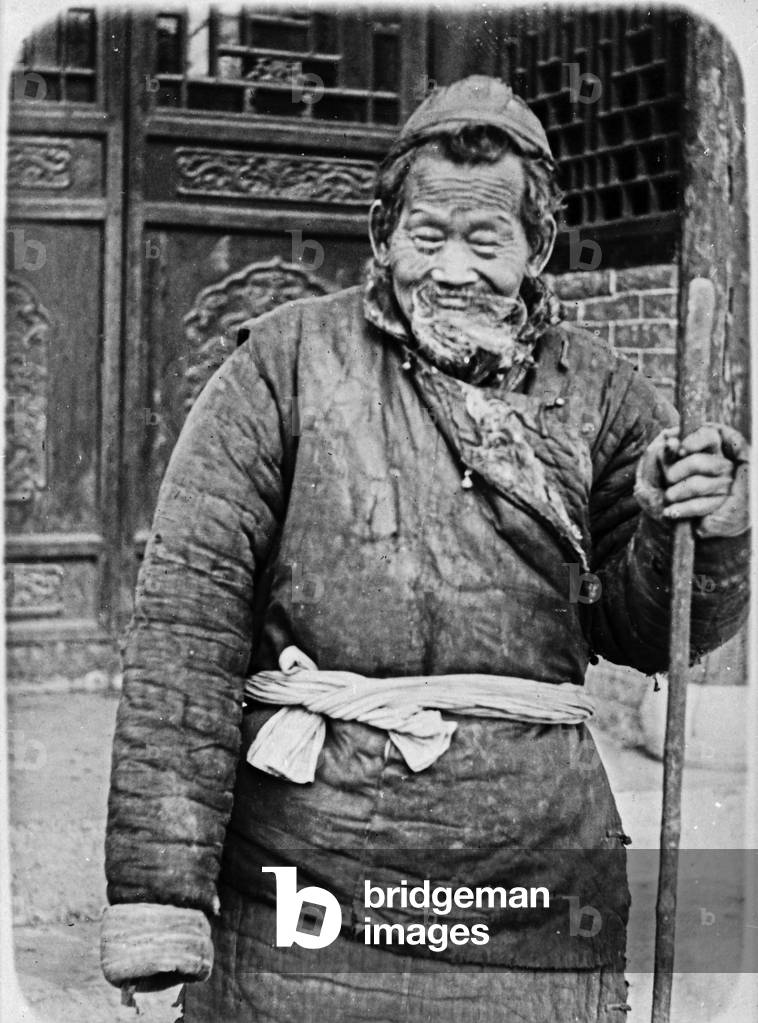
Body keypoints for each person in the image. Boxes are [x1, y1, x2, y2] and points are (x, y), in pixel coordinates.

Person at [101, 76, 750, 1022]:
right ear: (380, 235)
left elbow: (652, 632)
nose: (453, 269)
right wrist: (159, 907)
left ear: (539, 250)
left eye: (487, 241)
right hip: (310, 886)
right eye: (426, 236)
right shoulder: (278, 368)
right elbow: (184, 638)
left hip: (529, 882)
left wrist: (699, 528)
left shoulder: (604, 395)